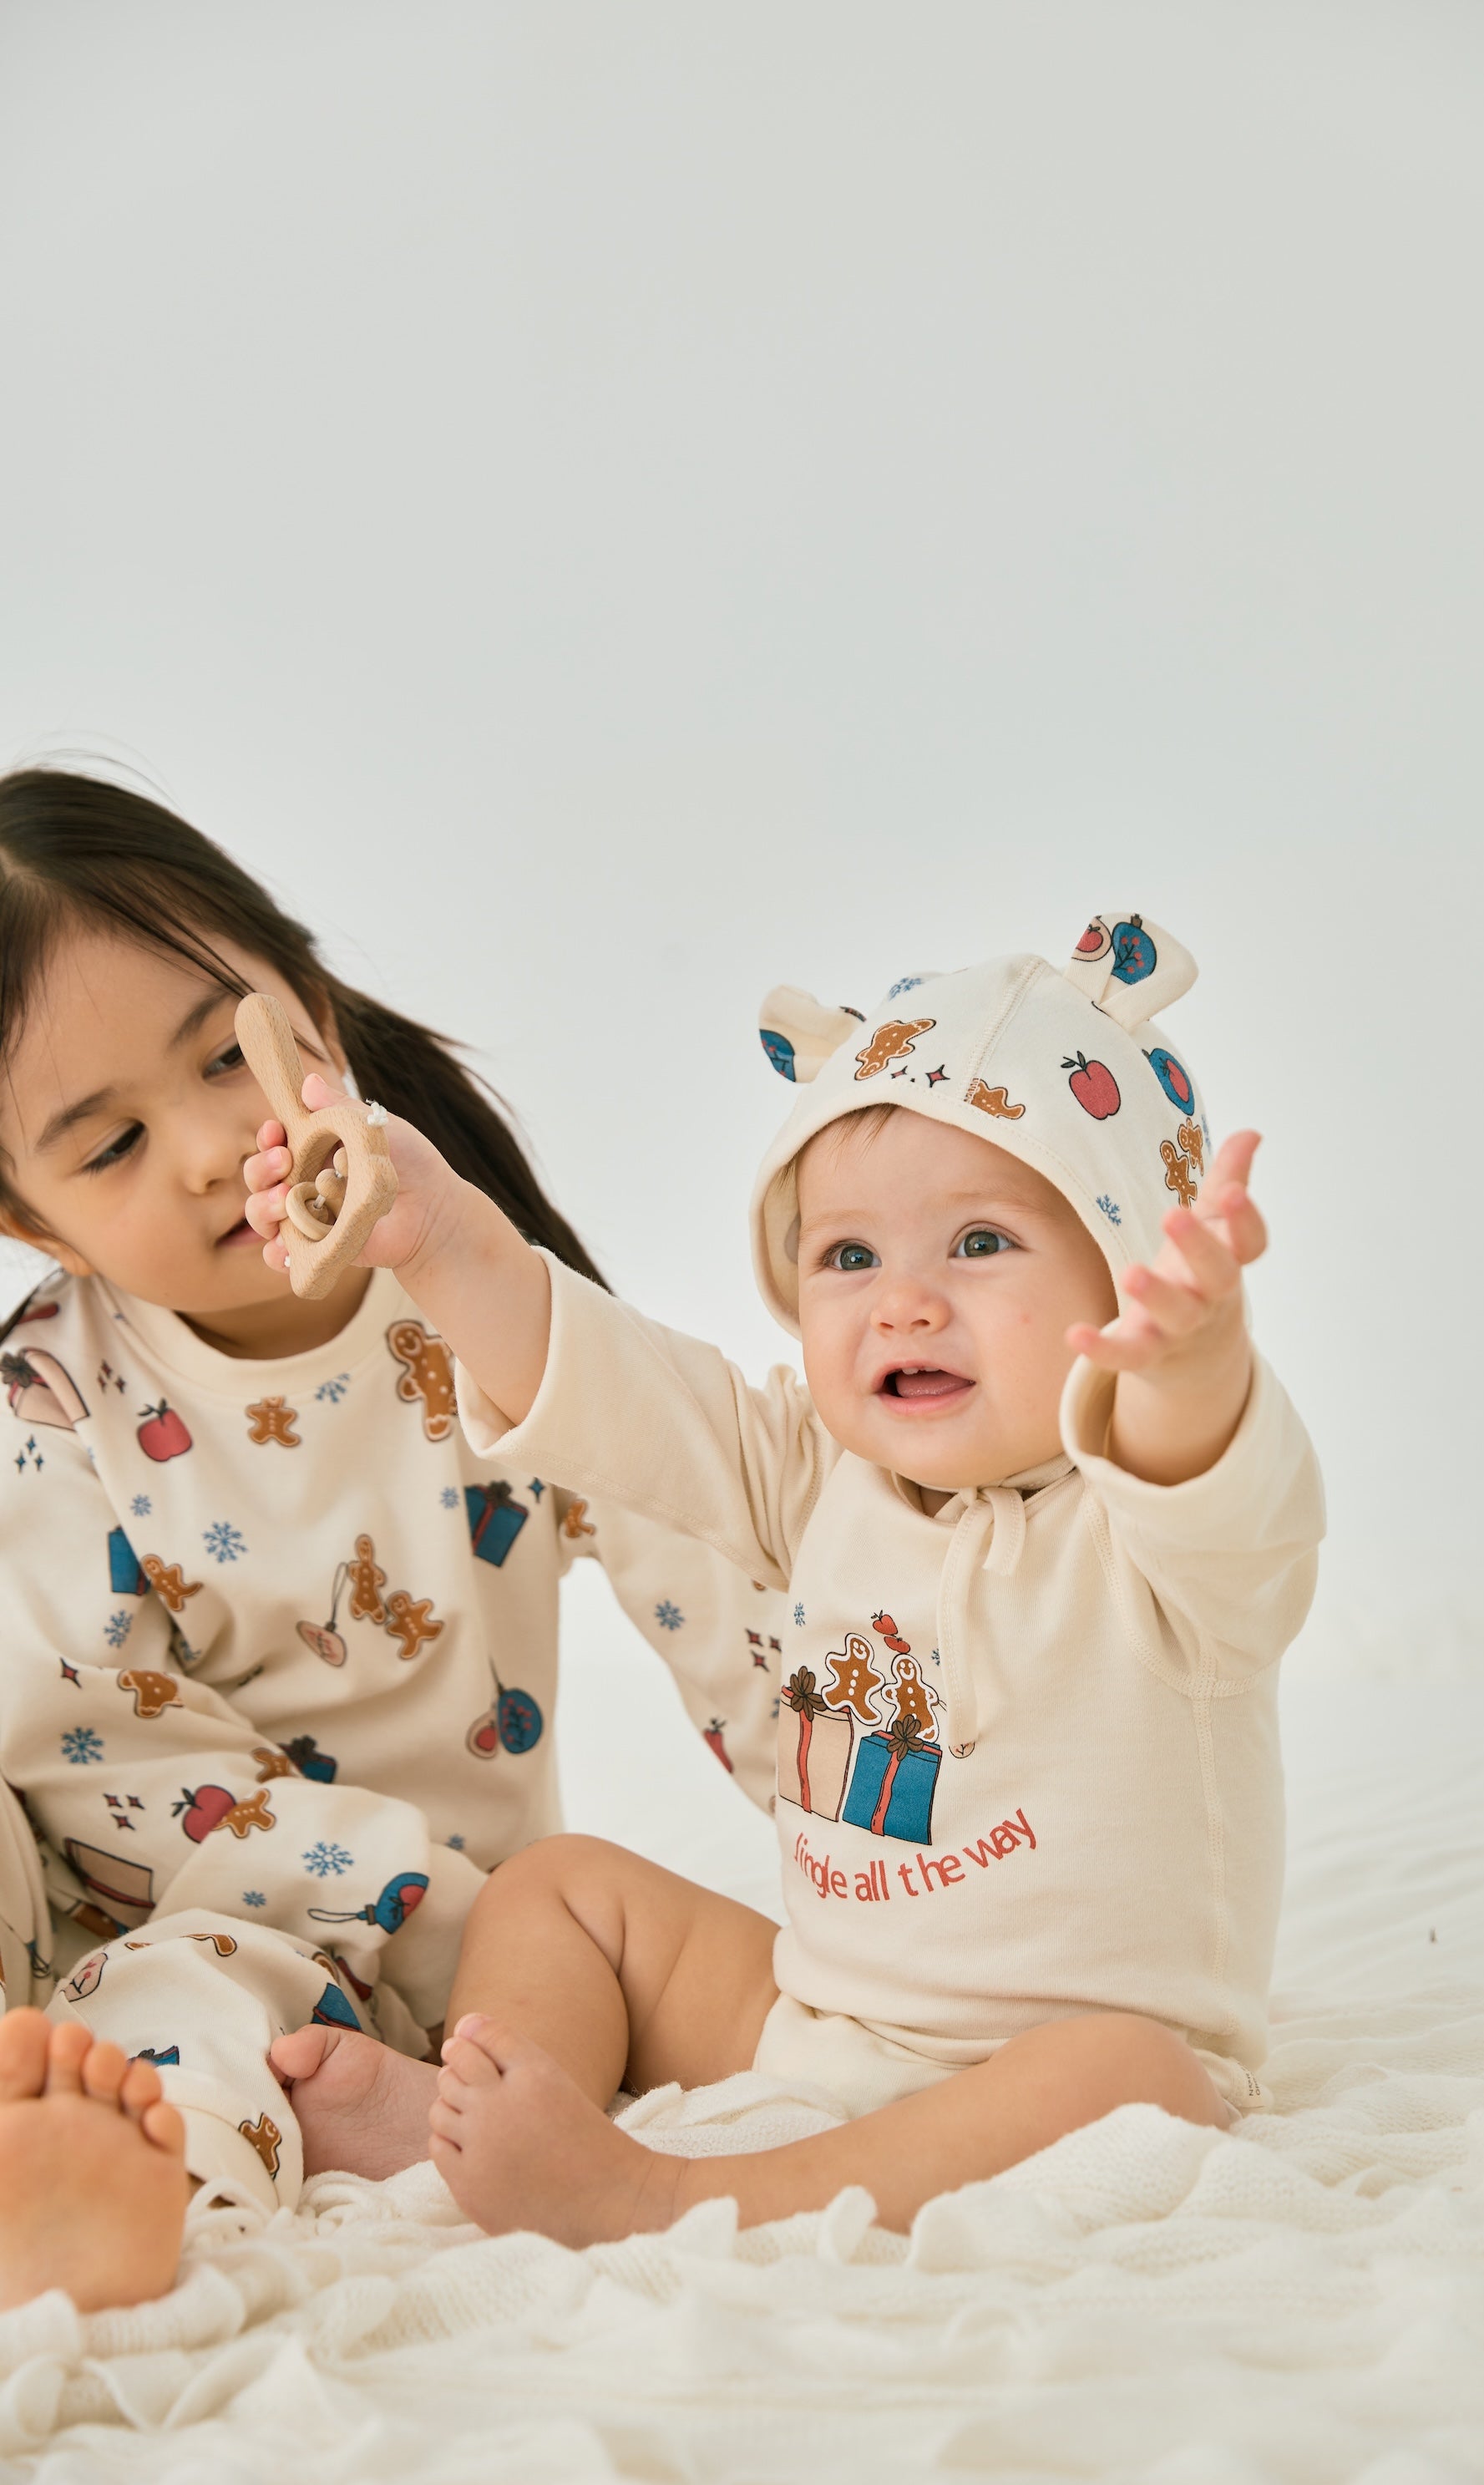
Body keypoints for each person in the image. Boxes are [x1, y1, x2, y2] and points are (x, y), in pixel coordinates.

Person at [246, 910, 1324, 2240]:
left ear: (1125, 1272)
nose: (902, 1301)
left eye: (981, 1243)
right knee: (558, 1889)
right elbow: (617, 1393)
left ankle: (659, 2192)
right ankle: (485, 2111)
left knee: (1132, 2079)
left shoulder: (1156, 1532)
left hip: (1059, 2072)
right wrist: (436, 1239)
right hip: (820, 2021)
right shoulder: (820, 1474)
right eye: (849, 1256)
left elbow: (1212, 1474)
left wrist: (1195, 1364)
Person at [0, 765, 783, 2306]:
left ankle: (128, 2183)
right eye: (110, 1148)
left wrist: (886, 1852)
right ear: (29, 1220)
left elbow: (720, 1572)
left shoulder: (485, 1300)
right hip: (105, 1901)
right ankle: (61, 2148)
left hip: (444, 1955)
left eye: (223, 1055)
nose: (209, 1146)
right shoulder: (49, 1399)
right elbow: (106, 1762)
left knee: (198, 1994)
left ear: (310, 1011)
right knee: (137, 1956)